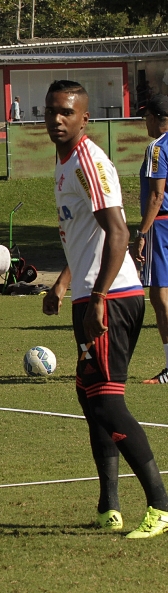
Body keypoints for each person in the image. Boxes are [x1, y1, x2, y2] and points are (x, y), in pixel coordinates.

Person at [42, 79, 168, 538]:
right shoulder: (65, 163)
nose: (57, 119)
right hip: (91, 294)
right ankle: (109, 505)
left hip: (110, 298)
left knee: (108, 403)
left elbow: (118, 232)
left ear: (84, 118)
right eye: (52, 110)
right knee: (90, 397)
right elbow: (85, 236)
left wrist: (97, 297)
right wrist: (63, 283)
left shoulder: (88, 161)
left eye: (67, 112)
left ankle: (161, 506)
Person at [129, 95, 168, 384]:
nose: (145, 124)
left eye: (146, 118)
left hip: (162, 226)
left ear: (154, 118)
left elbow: (156, 195)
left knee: (159, 294)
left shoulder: (157, 148)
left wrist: (142, 233)